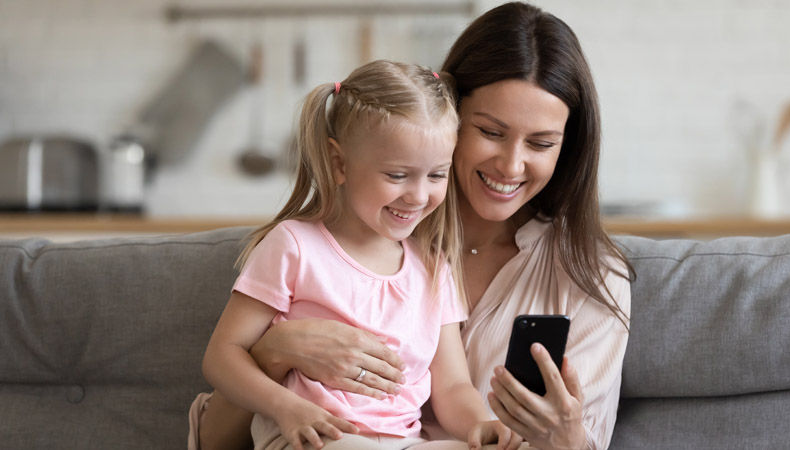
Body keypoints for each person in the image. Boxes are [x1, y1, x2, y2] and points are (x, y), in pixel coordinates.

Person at [190, 2, 632, 449]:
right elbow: (213, 434)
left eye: (540, 143)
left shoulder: (441, 265)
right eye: (491, 132)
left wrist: (533, 434)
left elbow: (457, 389)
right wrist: (276, 353)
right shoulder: (317, 242)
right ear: (452, 122)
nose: (512, 164)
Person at [200, 59, 520, 450]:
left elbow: (453, 385)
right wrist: (287, 408)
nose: (419, 196)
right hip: (317, 436)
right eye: (397, 175)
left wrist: (480, 426)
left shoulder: (434, 267)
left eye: (436, 175)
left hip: (405, 442)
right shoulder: (295, 246)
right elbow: (221, 357)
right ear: (339, 164)